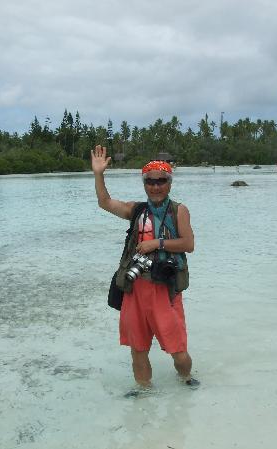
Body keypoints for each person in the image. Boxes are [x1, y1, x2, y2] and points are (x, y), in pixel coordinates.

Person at [91, 145, 199, 395]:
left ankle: (186, 379)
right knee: (137, 346)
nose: (156, 186)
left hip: (165, 289)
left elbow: (189, 244)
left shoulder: (178, 211)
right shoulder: (137, 210)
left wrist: (156, 243)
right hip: (135, 289)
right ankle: (144, 390)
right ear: (144, 184)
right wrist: (99, 174)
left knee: (177, 349)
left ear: (169, 183)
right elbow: (104, 202)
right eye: (150, 182)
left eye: (161, 181)